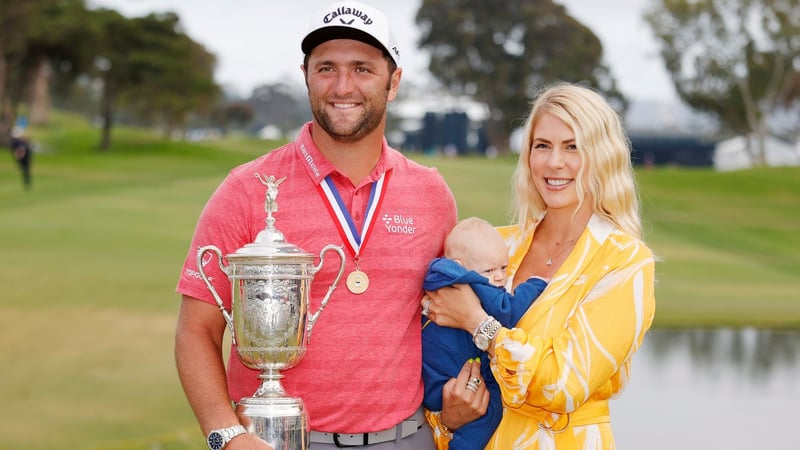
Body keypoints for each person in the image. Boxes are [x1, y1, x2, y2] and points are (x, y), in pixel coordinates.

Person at [174, 2, 484, 449]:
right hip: (277, 439)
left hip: (406, 437)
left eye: (362, 68)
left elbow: (447, 317)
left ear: (393, 82)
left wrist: (453, 405)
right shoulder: (246, 188)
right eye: (326, 68)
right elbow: (196, 328)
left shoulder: (431, 194)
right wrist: (226, 434)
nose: (342, 86)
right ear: (306, 76)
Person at [424, 83, 657, 449]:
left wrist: (477, 322)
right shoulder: (499, 247)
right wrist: (450, 418)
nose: (553, 163)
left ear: (602, 156)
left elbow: (562, 384)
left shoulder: (624, 262)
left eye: (572, 146)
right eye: (542, 145)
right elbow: (438, 350)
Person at [420, 217, 548, 450]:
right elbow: (506, 311)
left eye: (503, 268)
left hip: (430, 379)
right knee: (493, 406)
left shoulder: (438, 279)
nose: (499, 277)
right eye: (489, 270)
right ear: (459, 264)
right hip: (456, 384)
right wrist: (535, 285)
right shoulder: (471, 282)